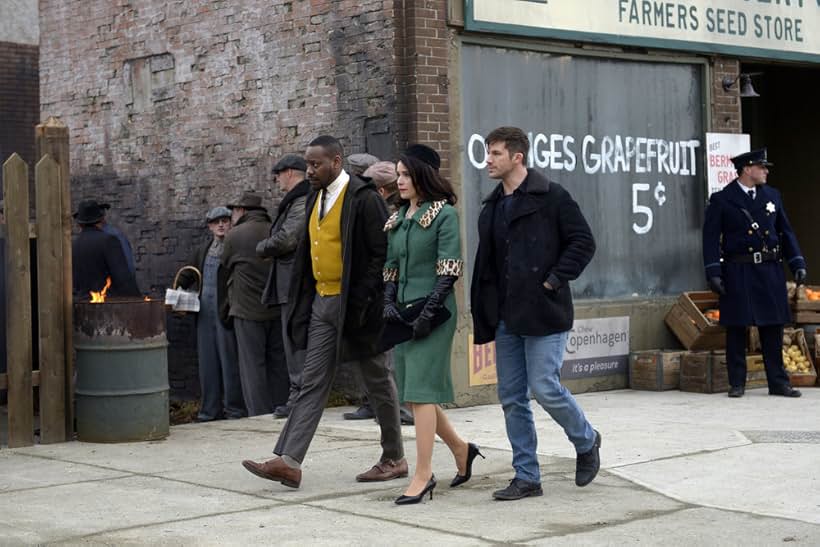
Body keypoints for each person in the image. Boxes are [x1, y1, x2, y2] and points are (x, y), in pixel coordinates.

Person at [241, 135, 405, 489]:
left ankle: (394, 457)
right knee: (311, 381)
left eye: (315, 164)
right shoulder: (314, 197)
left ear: (336, 161)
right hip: (323, 304)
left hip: (359, 307)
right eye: (307, 164)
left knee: (378, 381)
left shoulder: (363, 199)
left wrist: (364, 302)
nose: (309, 170)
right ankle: (289, 461)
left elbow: (381, 255)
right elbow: (307, 251)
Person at [470, 126, 601, 501]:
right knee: (512, 396)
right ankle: (526, 476)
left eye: (495, 154)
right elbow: (489, 264)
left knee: (544, 386)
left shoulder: (552, 197)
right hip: (506, 316)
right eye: (487, 153)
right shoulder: (492, 206)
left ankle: (586, 439)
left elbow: (583, 242)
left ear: (517, 157)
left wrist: (553, 281)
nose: (488, 161)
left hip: (544, 311)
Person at [384, 144, 481, 505]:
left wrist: (427, 313)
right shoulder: (399, 218)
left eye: (406, 174)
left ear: (423, 174)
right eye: (397, 174)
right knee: (414, 394)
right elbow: (391, 267)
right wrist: (388, 301)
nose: (400, 180)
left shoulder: (443, 215)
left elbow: (449, 270)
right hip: (405, 314)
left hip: (434, 312)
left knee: (421, 392)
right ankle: (461, 449)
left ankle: (422, 474)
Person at [703, 148, 806, 398]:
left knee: (773, 327)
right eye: (762, 167)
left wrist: (797, 262)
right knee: (737, 327)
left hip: (769, 269)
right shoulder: (722, 199)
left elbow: (786, 231)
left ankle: (778, 382)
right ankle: (737, 382)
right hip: (738, 269)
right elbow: (709, 238)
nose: (766, 171)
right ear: (747, 169)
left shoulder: (773, 195)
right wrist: (713, 271)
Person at [222, 192, 289, 416]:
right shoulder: (276, 230)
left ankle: (258, 414)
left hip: (247, 310)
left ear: (242, 211)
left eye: (233, 211)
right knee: (279, 363)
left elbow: (225, 266)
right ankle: (281, 407)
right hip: (277, 308)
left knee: (252, 366)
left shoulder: (235, 235)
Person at [177, 206, 245, 422]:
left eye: (225, 220)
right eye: (217, 222)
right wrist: (179, 288)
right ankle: (209, 410)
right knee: (207, 363)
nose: (221, 225)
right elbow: (188, 272)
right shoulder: (202, 250)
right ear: (209, 226)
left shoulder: (235, 248)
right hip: (204, 312)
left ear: (231, 223)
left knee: (229, 361)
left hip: (225, 310)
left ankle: (234, 409)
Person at [258, 154, 311, 419]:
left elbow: (288, 238)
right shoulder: (298, 199)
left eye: (278, 175)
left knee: (295, 340)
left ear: (289, 172)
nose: (277, 180)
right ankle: (299, 395)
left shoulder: (300, 199)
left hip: (294, 282)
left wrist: (263, 247)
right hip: (291, 282)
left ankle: (300, 398)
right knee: (295, 340)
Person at [340, 151, 381, 422]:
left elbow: (378, 251)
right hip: (360, 291)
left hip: (368, 293)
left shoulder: (368, 200)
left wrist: (364, 290)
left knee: (376, 357)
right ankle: (371, 403)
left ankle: (377, 405)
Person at [72, 199, 140, 298]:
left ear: (79, 224)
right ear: (101, 219)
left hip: (82, 304)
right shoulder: (109, 240)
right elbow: (123, 277)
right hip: (107, 303)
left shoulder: (73, 245)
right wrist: (137, 299)